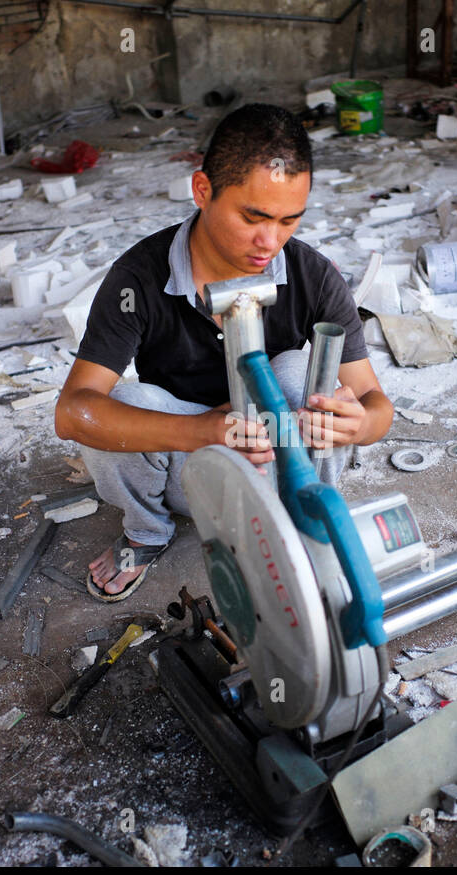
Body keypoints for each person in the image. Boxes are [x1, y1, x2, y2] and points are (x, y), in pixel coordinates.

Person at [53, 103, 393, 601]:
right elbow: (72, 413)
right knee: (126, 402)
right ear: (203, 190)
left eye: (288, 221)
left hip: (276, 469)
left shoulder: (313, 274)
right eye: (253, 217)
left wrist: (358, 424)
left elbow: (376, 404)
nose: (270, 241)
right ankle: (146, 533)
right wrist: (206, 431)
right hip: (183, 471)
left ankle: (303, 524)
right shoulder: (138, 278)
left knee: (304, 372)